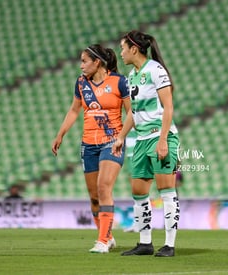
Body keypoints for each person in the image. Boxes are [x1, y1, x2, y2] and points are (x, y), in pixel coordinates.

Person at [52, 44, 131, 253]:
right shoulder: (81, 83)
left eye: (84, 61)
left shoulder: (119, 82)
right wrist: (61, 133)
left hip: (112, 142)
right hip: (88, 144)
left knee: (104, 187)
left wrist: (122, 137)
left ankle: (102, 240)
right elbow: (73, 110)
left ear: (97, 63)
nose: (81, 66)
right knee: (94, 196)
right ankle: (108, 236)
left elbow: (132, 112)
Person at [112, 30, 180, 257]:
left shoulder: (156, 70)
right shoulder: (131, 76)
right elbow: (134, 111)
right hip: (141, 140)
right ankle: (145, 242)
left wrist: (163, 140)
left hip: (160, 136)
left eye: (123, 48)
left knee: (167, 191)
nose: (121, 52)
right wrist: (121, 136)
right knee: (138, 191)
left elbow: (168, 107)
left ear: (134, 49)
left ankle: (169, 245)